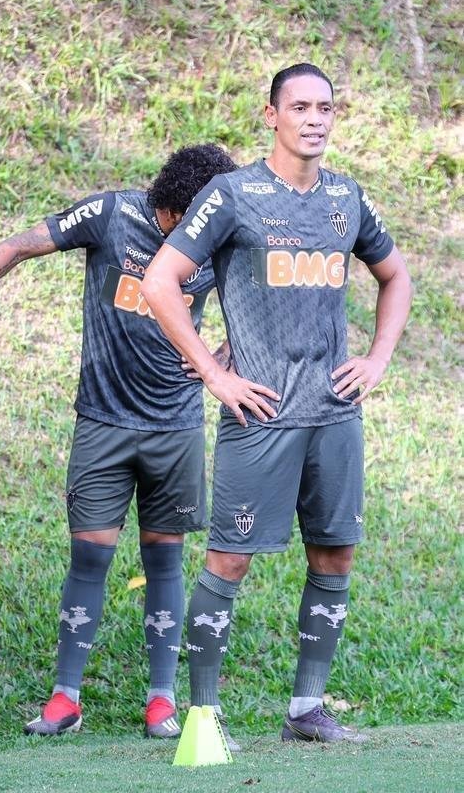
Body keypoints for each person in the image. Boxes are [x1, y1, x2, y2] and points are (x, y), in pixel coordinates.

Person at [141, 63, 413, 747]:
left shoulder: (348, 199)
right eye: (300, 106)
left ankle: (307, 711)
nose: (315, 118)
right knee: (228, 561)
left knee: (336, 555)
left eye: (325, 106)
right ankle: (202, 717)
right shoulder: (234, 195)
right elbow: (161, 280)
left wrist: (377, 358)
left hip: (334, 414)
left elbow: (395, 274)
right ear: (272, 115)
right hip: (259, 415)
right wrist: (213, 372)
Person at [0, 145, 237, 739]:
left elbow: (255, 312)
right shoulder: (112, 215)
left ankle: (161, 702)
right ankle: (65, 699)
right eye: (191, 220)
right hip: (103, 422)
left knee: (164, 557)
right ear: (171, 206)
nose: (200, 233)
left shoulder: (216, 243)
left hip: (174, 428)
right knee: (90, 555)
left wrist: (221, 362)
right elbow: (22, 245)